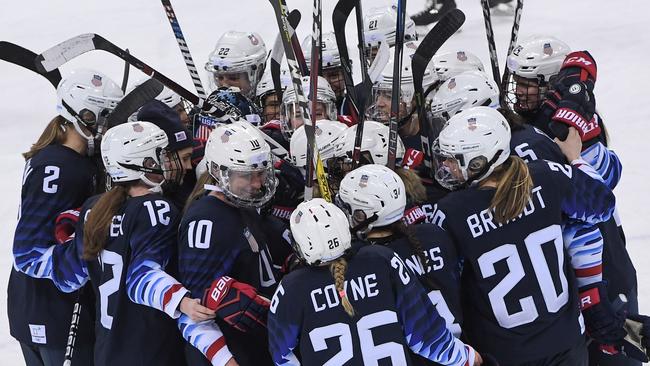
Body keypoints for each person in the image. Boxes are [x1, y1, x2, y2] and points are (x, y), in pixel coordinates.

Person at [430, 106, 625, 365]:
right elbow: (603, 205)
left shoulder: (450, 213)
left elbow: (443, 288)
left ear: (479, 163)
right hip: (568, 348)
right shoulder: (547, 175)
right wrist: (575, 159)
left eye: (454, 159)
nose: (446, 166)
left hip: (505, 356)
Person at [14, 121, 213, 365]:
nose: (168, 163)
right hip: (152, 350)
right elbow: (144, 275)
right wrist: (181, 301)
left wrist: (71, 239)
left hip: (108, 352)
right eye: (161, 156)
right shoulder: (157, 210)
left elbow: (68, 278)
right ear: (145, 164)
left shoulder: (94, 210)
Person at [506, 36, 641, 365]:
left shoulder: (576, 124)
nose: (520, 91)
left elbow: (608, 177)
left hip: (606, 260)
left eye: (530, 83)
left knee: (614, 353)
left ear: (553, 84)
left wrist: (574, 140)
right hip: (567, 271)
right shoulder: (538, 124)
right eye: (518, 82)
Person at [268, 198, 484, 365]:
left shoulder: (291, 288)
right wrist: (463, 357)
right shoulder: (382, 259)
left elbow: (281, 356)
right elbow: (424, 335)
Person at [9, 68, 124, 366]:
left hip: (36, 307)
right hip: (53, 313)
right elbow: (28, 254)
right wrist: (78, 264)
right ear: (85, 116)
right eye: (105, 116)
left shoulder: (68, 159)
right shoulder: (59, 167)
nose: (109, 125)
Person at [178, 121, 293, 366]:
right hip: (230, 355)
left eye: (261, 173)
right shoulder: (205, 220)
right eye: (247, 175)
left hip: (256, 346)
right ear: (220, 172)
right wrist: (225, 360)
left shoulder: (244, 205)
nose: (258, 183)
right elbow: (198, 309)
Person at [336, 164, 463, 342]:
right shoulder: (434, 234)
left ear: (363, 215)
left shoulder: (362, 260)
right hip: (462, 347)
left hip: (424, 355)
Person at [365, 43, 438, 150]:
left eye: (389, 96)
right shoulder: (372, 141)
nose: (378, 103)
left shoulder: (437, 140)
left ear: (415, 98)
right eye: (378, 94)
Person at [136, 99, 195, 209]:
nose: (189, 166)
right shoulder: (146, 209)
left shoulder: (182, 191)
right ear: (159, 159)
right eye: (185, 158)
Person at [205, 31, 266, 98]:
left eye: (233, 78)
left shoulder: (271, 103)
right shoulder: (210, 106)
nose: (224, 85)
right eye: (219, 78)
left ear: (258, 73)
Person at [302, 32, 346, 108]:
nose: (327, 84)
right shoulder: (297, 114)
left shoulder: (356, 106)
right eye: (319, 77)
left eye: (333, 76)